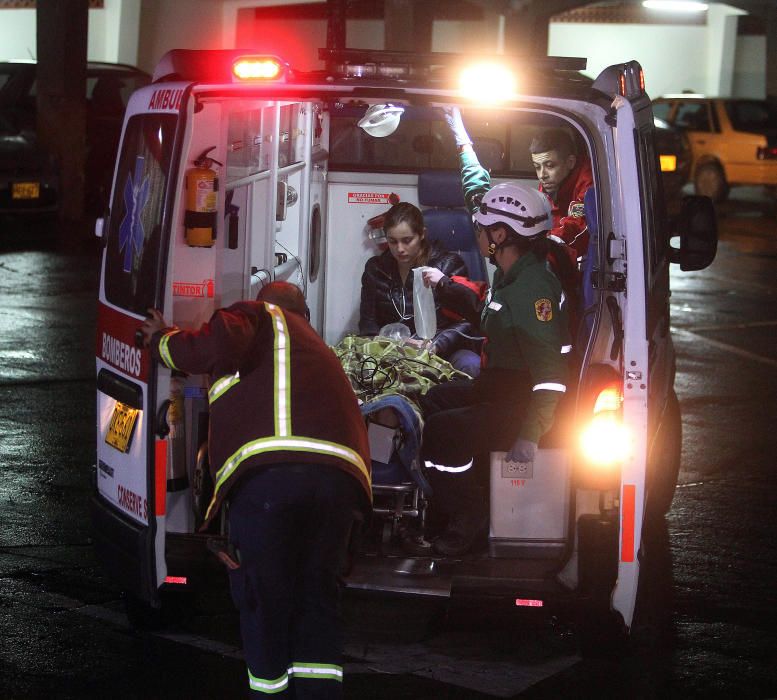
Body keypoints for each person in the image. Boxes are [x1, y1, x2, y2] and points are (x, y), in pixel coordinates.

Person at [140, 281, 371, 699]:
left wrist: (161, 340)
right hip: (339, 484)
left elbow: (217, 342)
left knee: (265, 599)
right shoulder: (317, 349)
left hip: (273, 480)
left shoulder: (261, 316)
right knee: (317, 598)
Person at [418, 181, 572, 557]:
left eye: (483, 227)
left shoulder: (532, 290)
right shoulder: (511, 274)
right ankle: (443, 505)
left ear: (500, 234)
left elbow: (551, 378)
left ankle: (467, 519)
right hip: (502, 386)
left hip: (522, 403)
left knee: (443, 430)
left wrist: (530, 436)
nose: (479, 234)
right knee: (433, 398)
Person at [444, 108, 593, 265]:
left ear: (570, 162)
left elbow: (577, 226)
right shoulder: (551, 183)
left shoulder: (589, 183)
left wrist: (541, 246)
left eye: (550, 165)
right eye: (537, 166)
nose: (542, 175)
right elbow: (478, 198)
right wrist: (464, 145)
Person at [359, 201, 481, 376]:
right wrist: (390, 345)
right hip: (393, 351)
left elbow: (466, 321)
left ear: (422, 234)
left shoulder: (448, 266)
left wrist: (435, 345)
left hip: (443, 350)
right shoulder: (376, 270)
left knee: (470, 365)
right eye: (393, 241)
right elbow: (368, 323)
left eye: (407, 240)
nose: (400, 249)